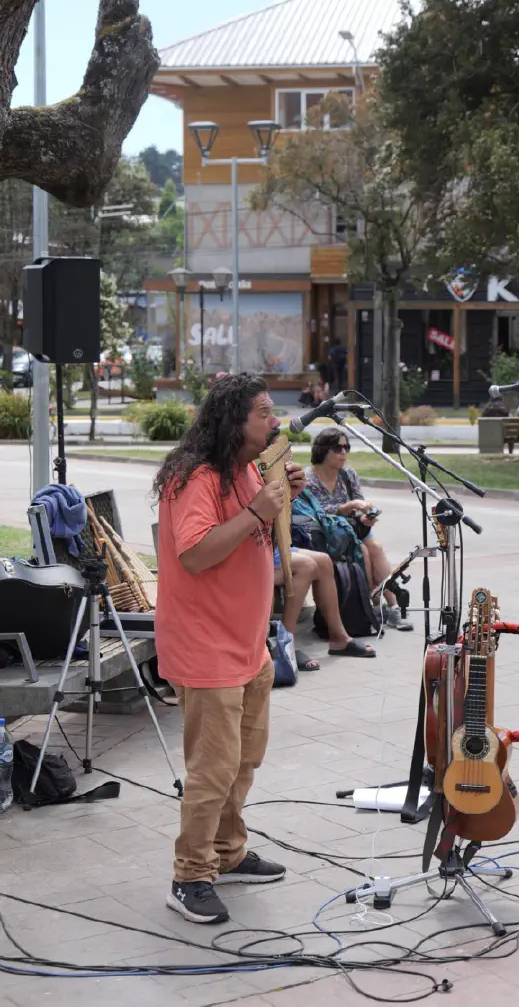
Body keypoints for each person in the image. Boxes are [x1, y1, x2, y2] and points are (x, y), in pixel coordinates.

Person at [153, 373, 307, 925]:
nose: (275, 420)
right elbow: (194, 555)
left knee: (243, 761)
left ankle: (227, 851)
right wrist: (258, 512)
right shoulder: (196, 478)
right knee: (211, 771)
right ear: (233, 421)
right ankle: (189, 876)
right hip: (205, 648)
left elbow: (258, 533)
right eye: (264, 412)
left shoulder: (247, 469)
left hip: (248, 645)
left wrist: (284, 498)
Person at [305, 427, 414, 631]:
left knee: (376, 548)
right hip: (328, 534)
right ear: (322, 450)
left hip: (354, 528)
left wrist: (365, 516)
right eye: (338, 448)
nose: (344, 453)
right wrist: (345, 508)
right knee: (362, 551)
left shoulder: (348, 474)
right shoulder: (309, 478)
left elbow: (359, 502)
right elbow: (315, 512)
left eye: (347, 447)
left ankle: (392, 608)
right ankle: (369, 606)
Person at [274, 548, 376, 661]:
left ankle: (339, 638)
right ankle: (285, 645)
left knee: (324, 561)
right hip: (256, 553)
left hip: (270, 547)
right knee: (306, 566)